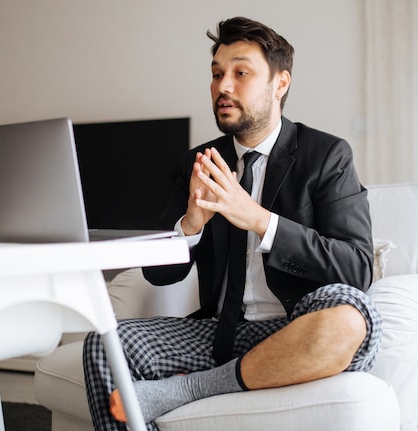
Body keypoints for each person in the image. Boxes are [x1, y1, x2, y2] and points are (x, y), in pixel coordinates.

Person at [83, 16, 382, 431]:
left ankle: (192, 389)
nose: (223, 86)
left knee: (350, 314)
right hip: (219, 333)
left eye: (241, 73)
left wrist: (260, 220)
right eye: (217, 74)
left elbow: (357, 268)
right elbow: (158, 273)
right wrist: (189, 226)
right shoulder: (199, 161)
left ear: (280, 84)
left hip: (298, 328)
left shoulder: (326, 155)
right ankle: (225, 378)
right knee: (107, 342)